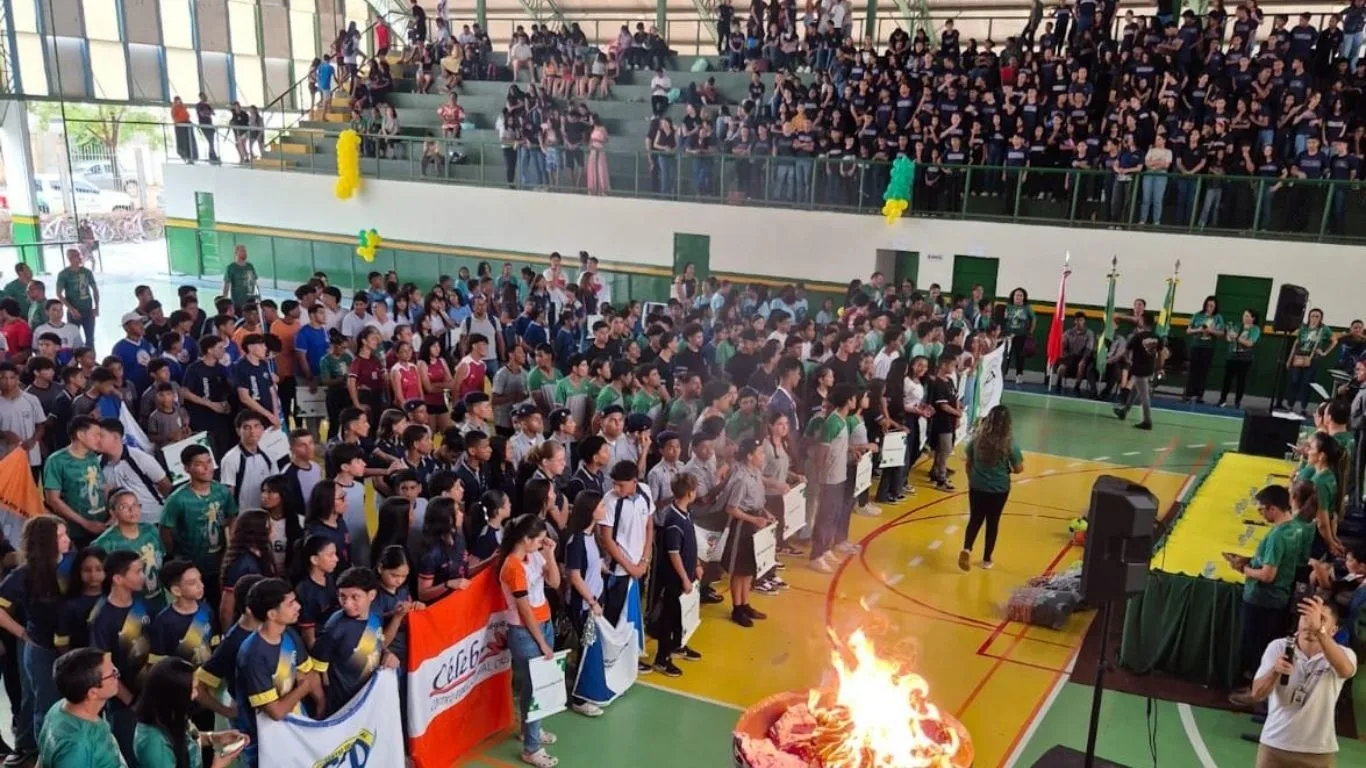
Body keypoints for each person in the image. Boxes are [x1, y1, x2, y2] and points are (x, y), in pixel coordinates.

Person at [1246, 596, 1357, 767]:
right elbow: (1257, 694)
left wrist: (1319, 632)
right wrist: (1274, 671)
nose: (1310, 623)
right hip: (1275, 745)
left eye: (1321, 619)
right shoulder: (1278, 647)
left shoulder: (1343, 654)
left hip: (1318, 751)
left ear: (1333, 630)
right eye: (1306, 616)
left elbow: (1346, 670)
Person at [0, 516, 73, 764]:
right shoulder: (25, 574)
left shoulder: (75, 563)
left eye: (66, 534)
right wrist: (21, 632)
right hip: (42, 647)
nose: (67, 540)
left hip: (74, 646)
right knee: (44, 702)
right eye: (60, 536)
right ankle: (42, 753)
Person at [232, 578, 323, 767]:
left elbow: (308, 672)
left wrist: (321, 704)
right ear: (272, 614)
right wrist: (303, 689)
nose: (298, 606)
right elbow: (276, 712)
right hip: (265, 742)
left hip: (296, 727)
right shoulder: (253, 654)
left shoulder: (289, 633)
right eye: (291, 603)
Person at [499, 513, 561, 768]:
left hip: (543, 624)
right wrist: (543, 643)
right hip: (526, 632)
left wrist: (550, 556)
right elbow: (524, 610)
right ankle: (531, 748)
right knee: (536, 687)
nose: (542, 544)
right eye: (540, 540)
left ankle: (528, 730)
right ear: (525, 539)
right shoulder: (513, 567)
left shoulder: (534, 555)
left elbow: (555, 582)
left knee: (532, 685)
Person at [88, 550, 151, 762]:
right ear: (117, 578)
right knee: (130, 755)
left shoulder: (142, 603)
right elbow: (104, 666)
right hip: (124, 704)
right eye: (138, 572)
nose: (143, 576)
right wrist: (131, 702)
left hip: (148, 694)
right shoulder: (101, 617)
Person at [311, 567, 398, 716]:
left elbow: (377, 644)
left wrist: (388, 654)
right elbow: (317, 671)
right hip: (344, 709)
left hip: (371, 701)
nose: (347, 604)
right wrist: (322, 706)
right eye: (342, 596)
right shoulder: (334, 627)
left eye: (355, 597)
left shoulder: (375, 615)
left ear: (371, 595)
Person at [160, 443, 239, 606]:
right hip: (192, 566)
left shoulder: (222, 492)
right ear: (187, 468)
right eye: (199, 464)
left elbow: (232, 518)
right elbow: (165, 530)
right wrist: (176, 553)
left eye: (209, 462)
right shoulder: (177, 499)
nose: (206, 468)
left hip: (219, 563)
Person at [133, 657, 248, 768]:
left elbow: (186, 740)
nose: (196, 694)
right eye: (192, 690)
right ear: (174, 697)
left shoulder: (171, 715)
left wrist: (215, 738)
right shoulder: (154, 744)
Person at [959, 406, 1024, 572]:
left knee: (975, 519)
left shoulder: (977, 440)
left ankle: (967, 548)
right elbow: (1019, 468)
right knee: (992, 522)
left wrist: (972, 480)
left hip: (977, 486)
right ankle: (986, 559)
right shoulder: (1010, 444)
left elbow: (968, 463)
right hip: (999, 488)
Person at [37, 647, 124, 768]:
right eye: (112, 674)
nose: (117, 675)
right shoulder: (77, 745)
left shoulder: (59, 707)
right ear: (93, 693)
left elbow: (41, 761)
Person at [652, 472, 702, 672]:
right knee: (669, 617)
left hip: (687, 574)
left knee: (680, 616)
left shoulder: (686, 513)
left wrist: (696, 564)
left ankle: (677, 645)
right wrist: (684, 578)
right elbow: (674, 553)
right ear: (689, 493)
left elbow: (689, 545)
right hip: (675, 579)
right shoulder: (673, 520)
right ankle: (662, 658)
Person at [54, 249, 99, 347]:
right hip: (74, 312)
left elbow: (95, 289)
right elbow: (59, 293)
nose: (76, 258)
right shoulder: (64, 274)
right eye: (73, 256)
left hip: (88, 310)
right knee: (73, 338)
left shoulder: (87, 272)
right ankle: (75, 360)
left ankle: (90, 359)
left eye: (77, 255)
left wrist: (96, 307)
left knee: (90, 338)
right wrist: (71, 309)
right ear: (69, 259)